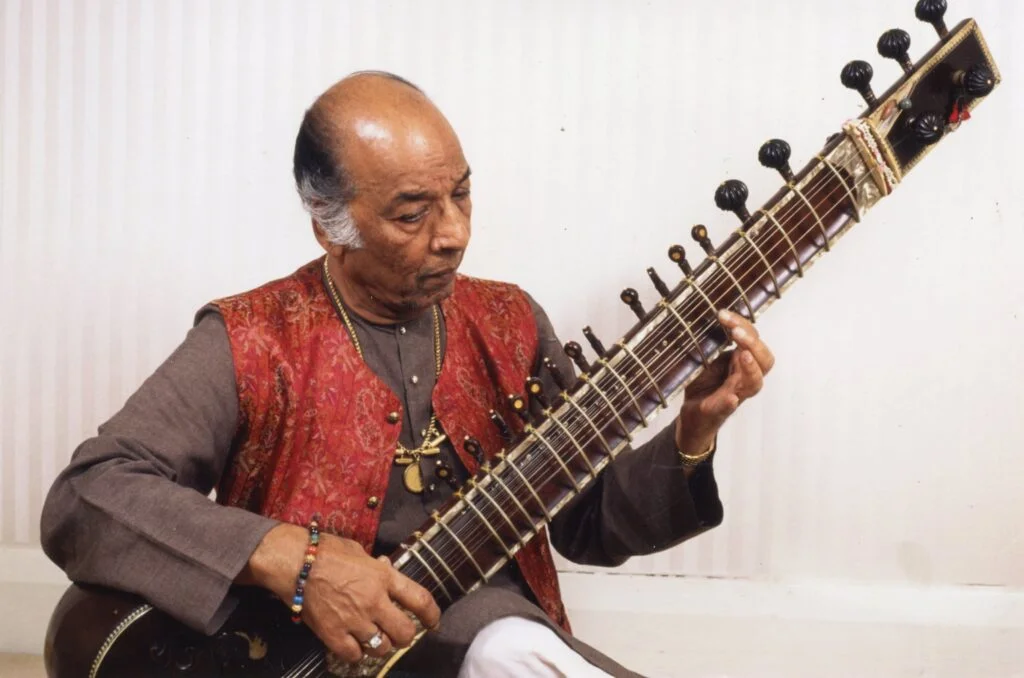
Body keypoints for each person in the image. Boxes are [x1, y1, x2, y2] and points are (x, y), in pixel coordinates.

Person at [40, 71, 775, 677]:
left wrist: (691, 433)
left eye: (460, 193)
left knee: (511, 647)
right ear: (330, 225)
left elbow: (586, 520)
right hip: (310, 653)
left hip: (491, 643)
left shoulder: (510, 323)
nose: (452, 233)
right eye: (412, 213)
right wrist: (294, 560)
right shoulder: (254, 338)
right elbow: (89, 494)